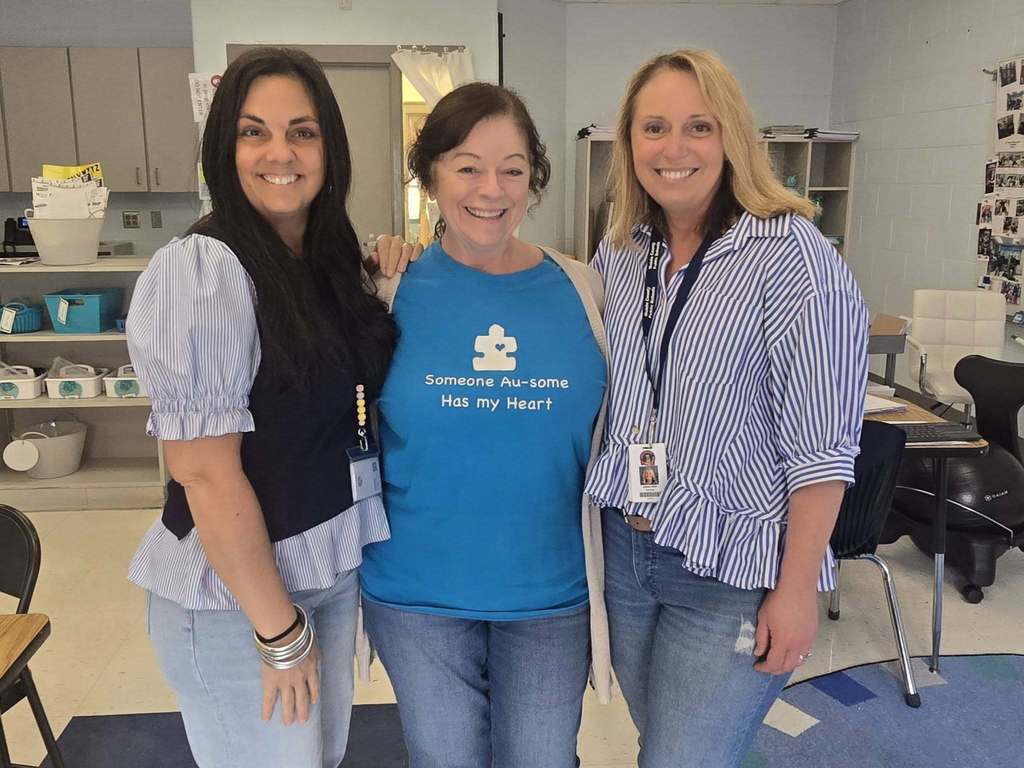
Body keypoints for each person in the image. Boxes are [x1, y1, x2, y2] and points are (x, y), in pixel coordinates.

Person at [585, 49, 868, 767]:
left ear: (732, 137)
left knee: (684, 758)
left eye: (698, 127)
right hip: (628, 547)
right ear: (629, 144)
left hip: (732, 568)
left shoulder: (793, 257)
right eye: (653, 128)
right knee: (669, 747)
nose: (672, 148)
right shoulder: (622, 250)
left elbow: (823, 449)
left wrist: (797, 588)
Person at [124, 47, 396, 768]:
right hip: (239, 600)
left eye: (302, 131)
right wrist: (280, 632)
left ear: (329, 147)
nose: (281, 152)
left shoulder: (326, 259)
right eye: (254, 132)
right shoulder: (204, 270)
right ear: (225, 147)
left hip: (326, 570)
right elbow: (205, 474)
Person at [361, 81, 610, 767]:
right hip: (415, 592)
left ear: (535, 178)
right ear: (431, 176)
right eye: (467, 166)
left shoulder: (586, 292)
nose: (490, 189)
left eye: (512, 168)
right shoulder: (386, 290)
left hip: (551, 594)